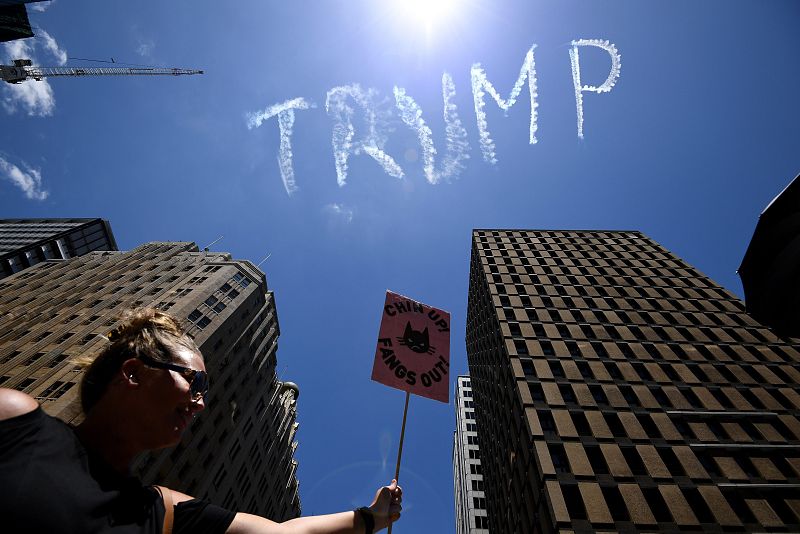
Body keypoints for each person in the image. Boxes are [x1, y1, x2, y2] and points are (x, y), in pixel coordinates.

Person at [0, 308, 402, 533]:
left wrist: (372, 516)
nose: (200, 403)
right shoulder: (17, 421)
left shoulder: (161, 510)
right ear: (135, 373)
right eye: (196, 382)